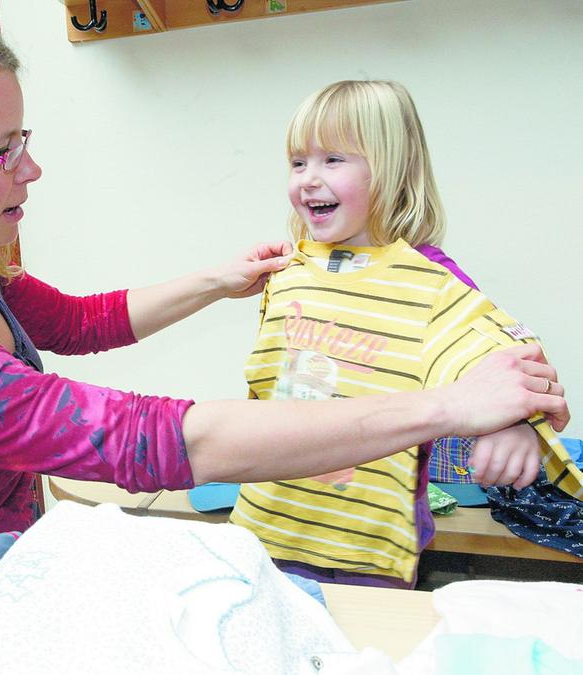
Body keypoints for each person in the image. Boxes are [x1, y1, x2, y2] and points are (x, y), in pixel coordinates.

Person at [0, 3, 567, 536]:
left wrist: (215, 281)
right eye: (3, 150)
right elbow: (151, 436)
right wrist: (449, 407)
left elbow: (77, 322)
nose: (34, 170)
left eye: (27, 139)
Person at [228, 79, 580, 587]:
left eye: (333, 160)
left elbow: (501, 352)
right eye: (298, 162)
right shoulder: (288, 270)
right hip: (263, 530)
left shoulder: (431, 278)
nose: (308, 178)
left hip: (366, 549)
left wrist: (513, 424)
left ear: (390, 168)